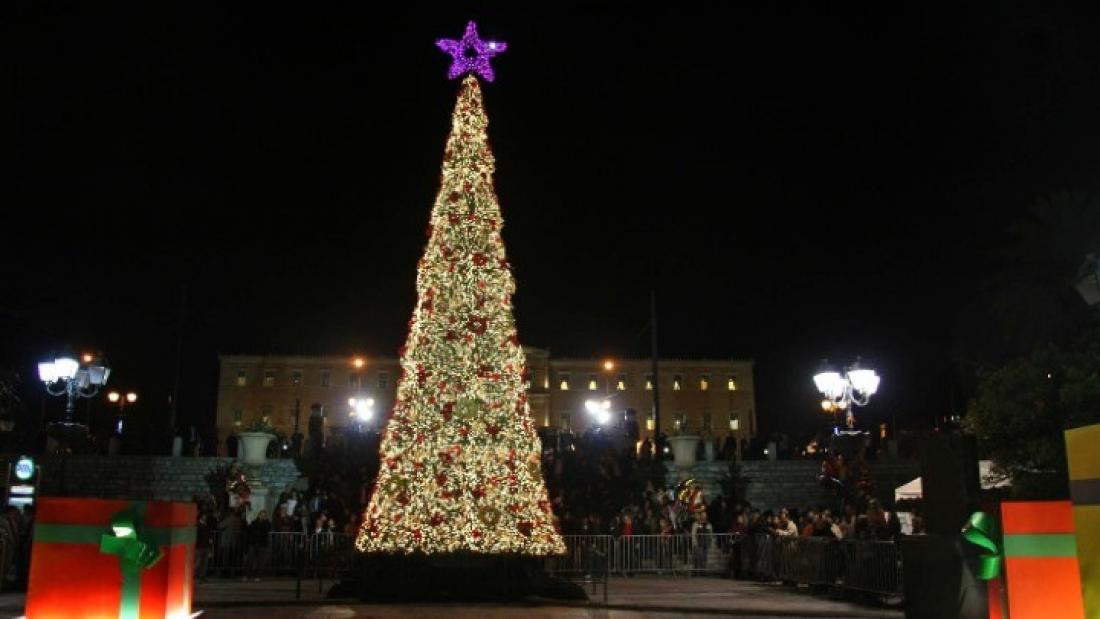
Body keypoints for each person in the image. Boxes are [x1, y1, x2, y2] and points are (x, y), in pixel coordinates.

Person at [244, 510, 271, 582]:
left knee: (260, 561)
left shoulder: (267, 523)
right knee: (250, 560)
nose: (263, 516)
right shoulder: (254, 522)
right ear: (259, 515)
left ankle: (257, 576)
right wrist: (249, 525)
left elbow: (267, 529)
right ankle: (247, 575)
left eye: (264, 515)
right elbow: (249, 530)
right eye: (262, 515)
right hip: (254, 543)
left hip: (262, 544)